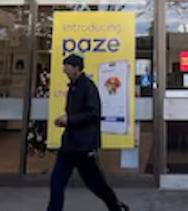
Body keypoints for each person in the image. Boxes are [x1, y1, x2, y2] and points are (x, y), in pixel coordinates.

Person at [47, 54, 129, 211]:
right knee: (56, 182)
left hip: (84, 146)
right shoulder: (73, 87)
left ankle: (116, 207)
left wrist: (69, 119)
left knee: (96, 184)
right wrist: (65, 121)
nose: (64, 70)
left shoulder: (88, 87)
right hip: (69, 146)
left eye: (67, 66)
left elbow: (93, 113)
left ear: (76, 68)